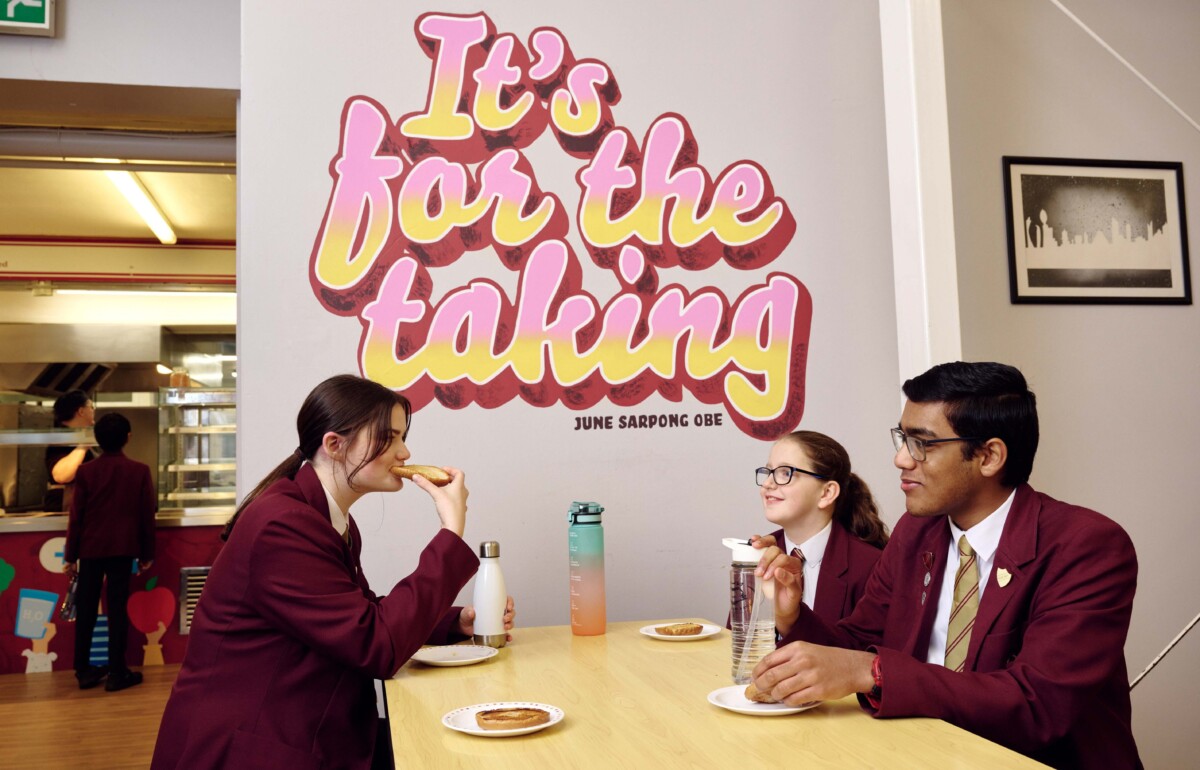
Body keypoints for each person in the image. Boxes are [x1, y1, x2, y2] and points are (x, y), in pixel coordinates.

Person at [751, 362, 1140, 769]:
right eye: (902, 438)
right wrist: (794, 616)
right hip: (921, 752)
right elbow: (854, 645)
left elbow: (1036, 704)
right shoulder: (915, 532)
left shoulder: (1087, 545)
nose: (901, 459)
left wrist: (875, 671)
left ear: (989, 456)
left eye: (922, 444)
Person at [151, 374, 515, 770]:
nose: (405, 452)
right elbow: (377, 646)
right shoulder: (283, 525)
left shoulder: (324, 516)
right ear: (334, 445)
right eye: (389, 438)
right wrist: (450, 531)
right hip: (253, 745)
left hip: (310, 727)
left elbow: (355, 613)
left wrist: (453, 622)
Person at [749, 430, 888, 625]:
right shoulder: (760, 556)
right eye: (769, 471)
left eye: (785, 473)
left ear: (827, 493)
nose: (767, 484)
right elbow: (736, 641)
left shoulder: (871, 566)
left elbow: (861, 652)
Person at [63, 412, 157, 692]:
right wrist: (147, 553)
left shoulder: (86, 471)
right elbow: (146, 516)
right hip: (124, 549)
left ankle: (83, 670)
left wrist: (70, 555)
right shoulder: (139, 471)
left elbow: (76, 516)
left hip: (90, 549)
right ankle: (117, 672)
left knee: (87, 608)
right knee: (117, 609)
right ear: (128, 437)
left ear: (97, 440)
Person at [44, 389, 96, 512]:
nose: (93, 411)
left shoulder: (78, 437)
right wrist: (83, 446)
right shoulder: (61, 440)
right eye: (91, 407)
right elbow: (61, 476)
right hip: (65, 510)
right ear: (81, 411)